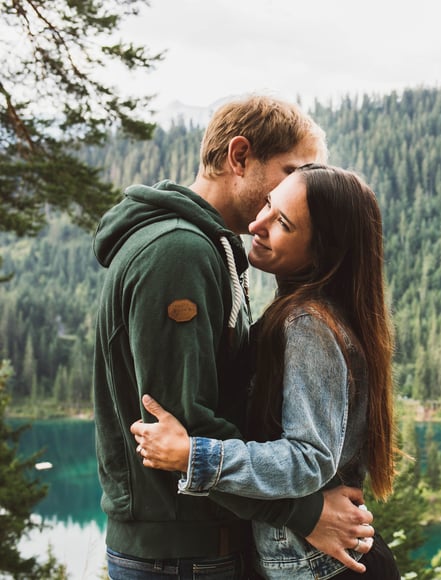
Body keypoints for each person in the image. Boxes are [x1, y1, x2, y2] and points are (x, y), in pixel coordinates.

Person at [93, 97, 374, 580]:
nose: (299, 188)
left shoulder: (211, 246)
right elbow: (176, 427)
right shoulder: (179, 252)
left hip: (193, 546)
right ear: (239, 157)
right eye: (291, 171)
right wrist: (303, 512)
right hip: (181, 553)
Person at [130, 164, 401, 579]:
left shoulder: (309, 325)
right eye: (270, 204)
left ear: (321, 252)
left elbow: (310, 458)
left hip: (322, 570)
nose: (257, 223)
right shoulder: (308, 314)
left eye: (283, 224)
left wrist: (195, 456)